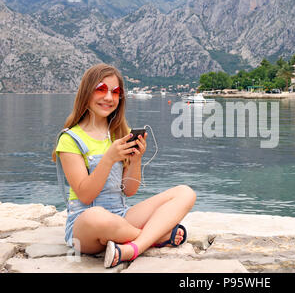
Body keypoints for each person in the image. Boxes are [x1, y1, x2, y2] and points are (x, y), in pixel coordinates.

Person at [52, 64, 196, 268]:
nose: (109, 98)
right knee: (96, 216)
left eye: (115, 92)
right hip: (85, 225)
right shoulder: (70, 139)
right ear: (87, 92)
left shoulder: (121, 132)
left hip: (121, 216)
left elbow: (129, 191)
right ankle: (155, 238)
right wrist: (109, 158)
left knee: (185, 192)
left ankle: (132, 248)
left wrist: (136, 159)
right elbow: (85, 195)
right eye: (101, 89)